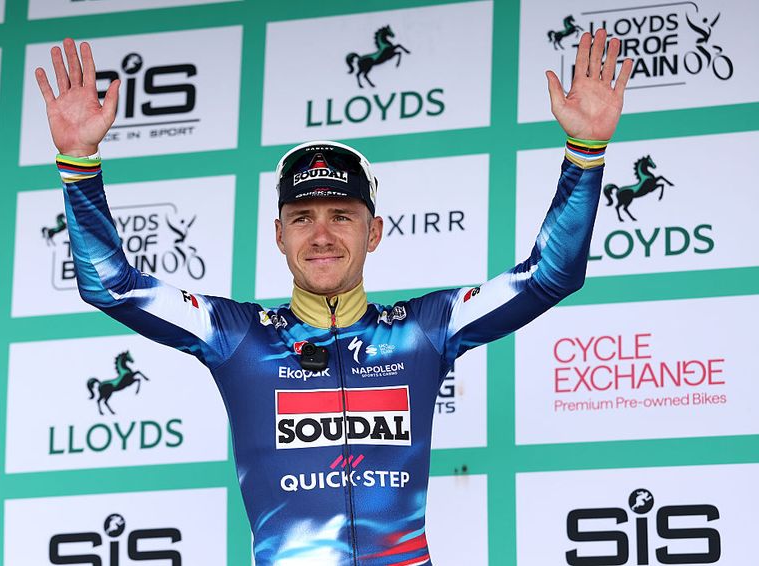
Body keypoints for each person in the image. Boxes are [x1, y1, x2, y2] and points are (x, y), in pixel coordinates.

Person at [36, 29, 631, 566]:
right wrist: (78, 165)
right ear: (278, 235)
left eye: (341, 216)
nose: (321, 234)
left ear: (373, 232)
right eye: (302, 217)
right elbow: (112, 284)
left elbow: (550, 275)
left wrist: (585, 151)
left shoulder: (423, 330)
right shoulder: (237, 336)